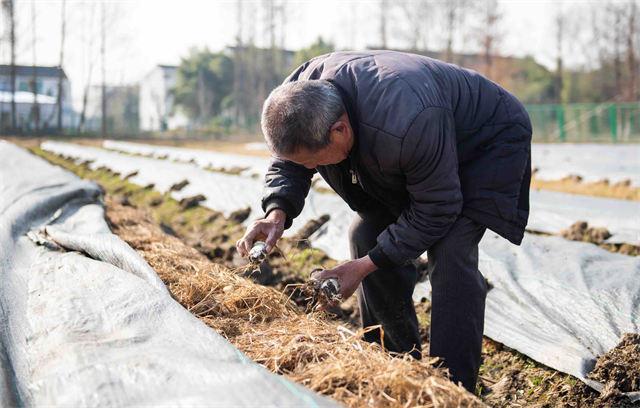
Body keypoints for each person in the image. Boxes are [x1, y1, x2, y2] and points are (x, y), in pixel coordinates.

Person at [236, 50, 532, 393]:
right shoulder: (297, 97)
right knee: (365, 233)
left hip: (483, 143)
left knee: (451, 252)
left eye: (315, 164)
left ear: (340, 130)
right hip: (414, 143)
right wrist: (277, 211)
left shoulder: (407, 121)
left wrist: (363, 267)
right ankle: (393, 364)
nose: (311, 170)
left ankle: (453, 387)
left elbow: (437, 207)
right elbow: (290, 161)